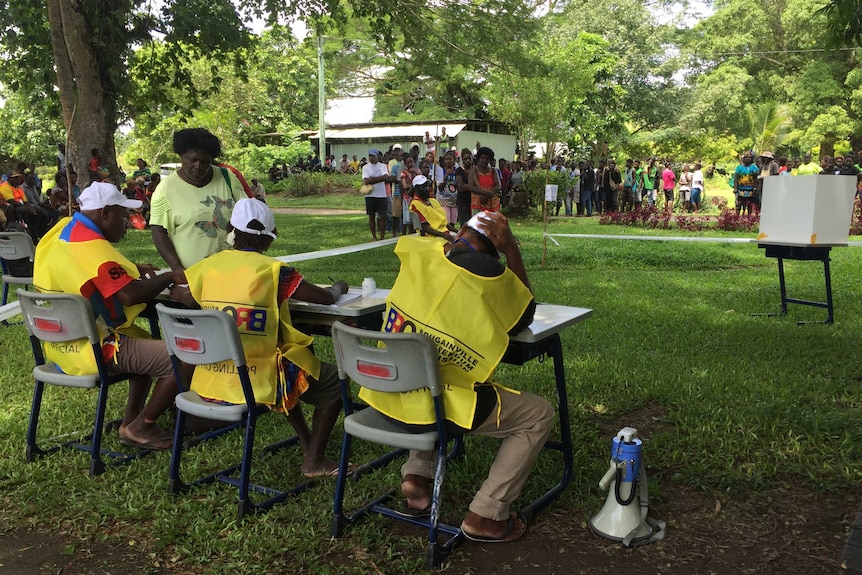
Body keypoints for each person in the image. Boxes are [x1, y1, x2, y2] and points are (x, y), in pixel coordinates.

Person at [362, 211, 550, 543]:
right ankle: (487, 514)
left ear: (461, 230)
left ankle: (417, 478)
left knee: (427, 371)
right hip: (436, 405)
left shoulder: (418, 251)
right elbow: (524, 315)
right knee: (538, 415)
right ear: (497, 249)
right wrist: (513, 253)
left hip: (386, 393)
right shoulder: (491, 274)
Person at [173, 198, 349, 478]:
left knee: (289, 361)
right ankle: (314, 460)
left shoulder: (208, 266)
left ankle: (305, 442)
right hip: (259, 379)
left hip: (209, 381)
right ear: (269, 240)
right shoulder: (275, 271)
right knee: (333, 382)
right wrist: (339, 286)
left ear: (231, 230)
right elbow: (325, 298)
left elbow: (183, 296)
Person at [33, 182, 186, 450]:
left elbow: (84, 265)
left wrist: (131, 267)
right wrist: (170, 276)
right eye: (122, 215)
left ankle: (130, 424)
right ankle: (143, 426)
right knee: (183, 356)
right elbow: (130, 295)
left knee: (148, 345)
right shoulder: (90, 244)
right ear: (105, 213)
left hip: (61, 346)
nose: (126, 222)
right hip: (97, 347)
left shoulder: (63, 232)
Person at [149, 128, 246, 271]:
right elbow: (158, 231)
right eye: (193, 160)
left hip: (231, 270)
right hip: (191, 275)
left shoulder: (227, 177)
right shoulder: (165, 188)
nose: (198, 166)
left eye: (205, 161)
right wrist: (177, 268)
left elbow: (247, 213)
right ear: (182, 156)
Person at [408, 175, 457, 240]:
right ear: (416, 189)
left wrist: (458, 231)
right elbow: (424, 228)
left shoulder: (433, 201)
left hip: (444, 233)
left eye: (427, 186)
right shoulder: (415, 204)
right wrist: (443, 235)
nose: (427, 189)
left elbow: (444, 223)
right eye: (423, 187)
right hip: (430, 237)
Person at [362, 149, 389, 241]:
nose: (371, 158)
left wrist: (372, 179)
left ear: (378, 156)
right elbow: (366, 180)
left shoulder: (382, 166)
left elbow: (385, 177)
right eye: (370, 156)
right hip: (370, 195)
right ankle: (374, 236)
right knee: (371, 216)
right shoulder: (365, 167)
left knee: (383, 216)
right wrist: (379, 179)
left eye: (373, 156)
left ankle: (382, 236)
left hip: (381, 194)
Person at [469, 147, 501, 214]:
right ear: (478, 159)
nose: (484, 160)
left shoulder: (493, 170)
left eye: (487, 158)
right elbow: (471, 187)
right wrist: (484, 193)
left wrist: (488, 195)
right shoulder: (474, 170)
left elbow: (498, 185)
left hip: (492, 203)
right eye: (482, 158)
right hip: (478, 203)